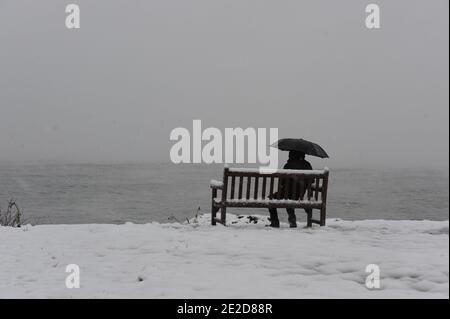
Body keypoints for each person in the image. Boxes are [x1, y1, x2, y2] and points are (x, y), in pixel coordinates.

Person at [268, 150, 312, 228]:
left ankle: (275, 222)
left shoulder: (288, 165)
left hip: (287, 194)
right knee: (289, 197)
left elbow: (282, 182)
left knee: (271, 198)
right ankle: (292, 221)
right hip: (299, 195)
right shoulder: (307, 165)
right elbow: (312, 181)